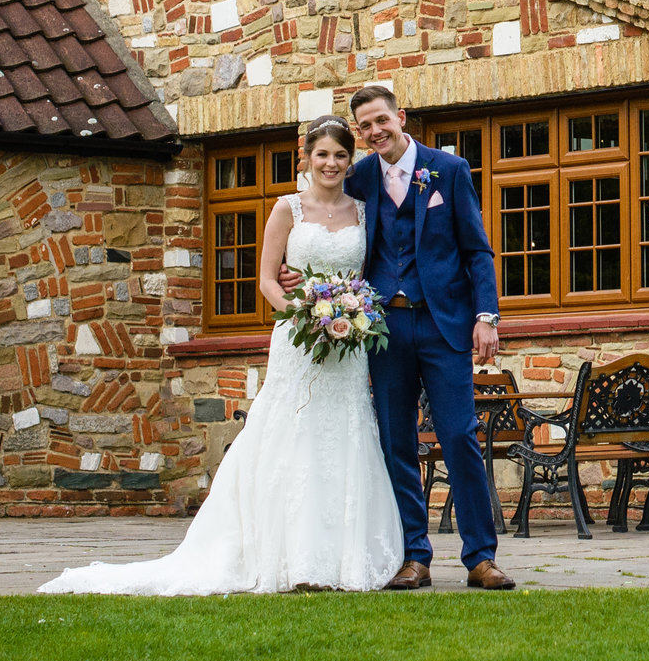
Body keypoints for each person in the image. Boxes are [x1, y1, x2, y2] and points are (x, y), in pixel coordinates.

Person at [40, 117, 402, 595]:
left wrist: (353, 312)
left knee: (346, 435)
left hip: (349, 348)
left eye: (340, 155)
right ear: (306, 159)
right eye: (322, 155)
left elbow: (370, 273)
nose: (331, 163)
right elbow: (267, 280)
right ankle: (289, 556)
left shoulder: (363, 210)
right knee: (292, 436)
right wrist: (305, 313)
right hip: (301, 339)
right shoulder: (287, 209)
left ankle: (342, 557)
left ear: (350, 161)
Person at [344, 84, 515, 590]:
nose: (376, 132)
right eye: (365, 126)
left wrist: (487, 315)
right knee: (397, 441)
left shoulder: (449, 170)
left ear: (401, 116)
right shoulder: (358, 180)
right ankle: (413, 555)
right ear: (360, 133)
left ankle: (480, 557)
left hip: (444, 325)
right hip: (385, 329)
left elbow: (478, 251)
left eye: (382, 120)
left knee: (459, 436)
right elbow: (330, 227)